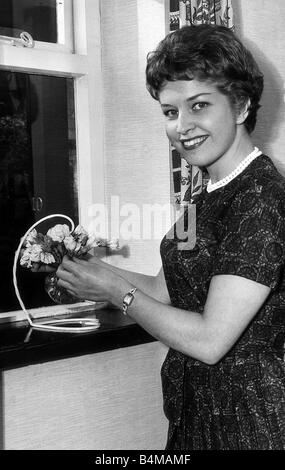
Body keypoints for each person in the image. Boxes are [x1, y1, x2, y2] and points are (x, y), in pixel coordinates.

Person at [55, 25, 285, 450]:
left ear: (240, 105)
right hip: (196, 409)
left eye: (199, 105)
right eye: (169, 112)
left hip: (249, 421)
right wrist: (97, 273)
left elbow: (210, 340)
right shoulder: (201, 193)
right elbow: (166, 289)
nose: (182, 126)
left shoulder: (261, 198)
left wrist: (119, 292)